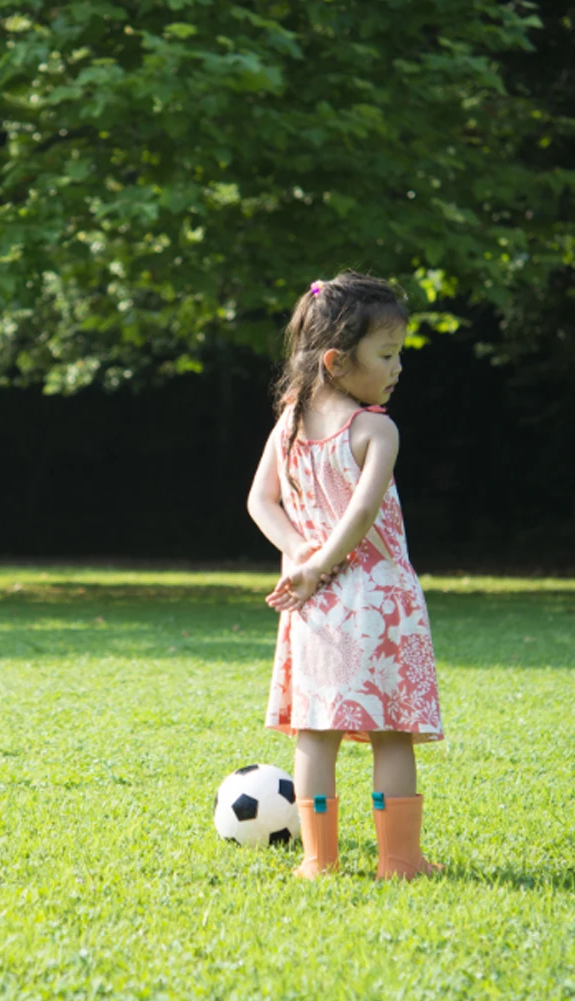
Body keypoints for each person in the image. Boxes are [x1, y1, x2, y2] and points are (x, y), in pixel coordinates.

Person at [246, 271, 443, 881]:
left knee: (315, 733)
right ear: (335, 359)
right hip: (378, 602)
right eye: (386, 354)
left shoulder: (289, 426)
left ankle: (318, 861)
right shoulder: (375, 430)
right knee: (390, 734)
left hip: (314, 607)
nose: (398, 367)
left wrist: (302, 560)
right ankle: (400, 862)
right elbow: (361, 513)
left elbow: (261, 503)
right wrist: (320, 561)